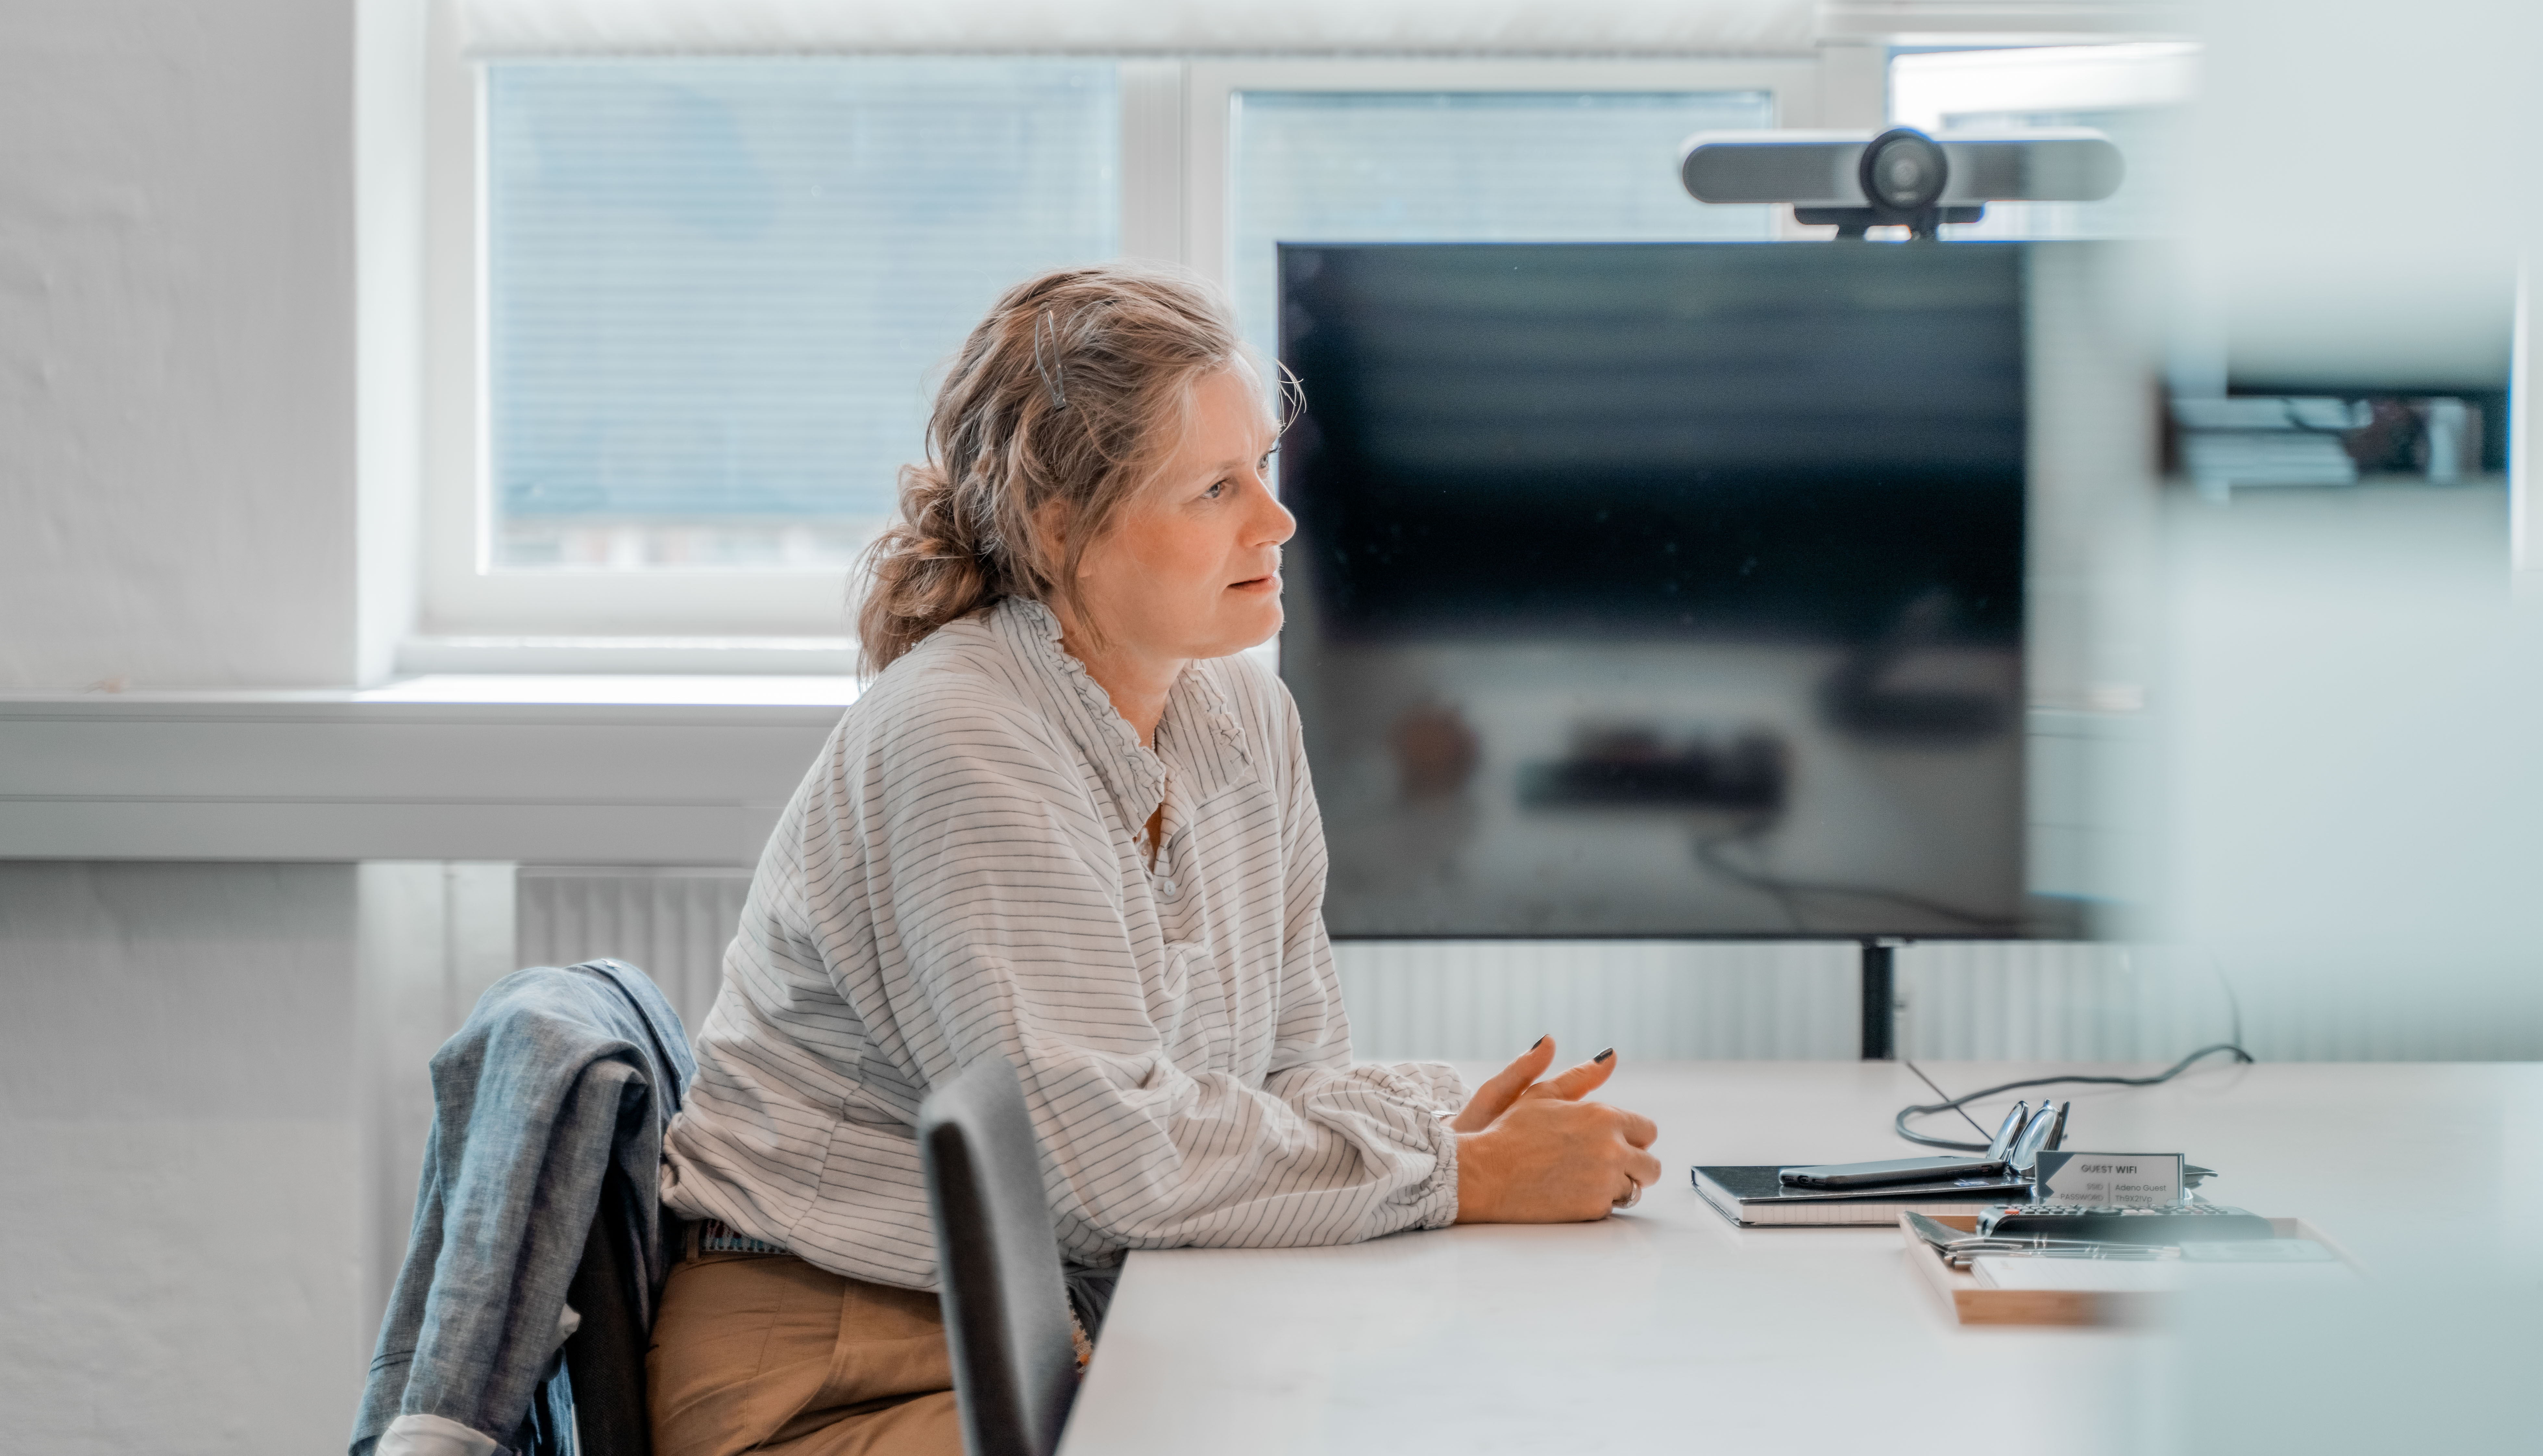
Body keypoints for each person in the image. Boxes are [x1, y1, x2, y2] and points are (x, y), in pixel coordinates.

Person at [646, 263, 1662, 1456]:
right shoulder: (963, 735)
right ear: (1056, 524)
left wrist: (1458, 1122)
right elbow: (1095, 1165)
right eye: (1214, 489)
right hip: (838, 1367)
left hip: (1054, 1323)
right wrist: (1462, 1174)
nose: (1275, 523)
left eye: (1265, 473)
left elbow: (1286, 1078)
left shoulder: (1241, 716)